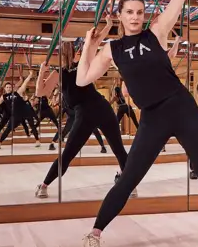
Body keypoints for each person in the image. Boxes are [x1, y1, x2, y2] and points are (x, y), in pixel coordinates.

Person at [76, 0, 198, 247]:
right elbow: (82, 80)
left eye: (139, 12)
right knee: (129, 177)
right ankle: (94, 235)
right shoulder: (112, 49)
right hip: (152, 117)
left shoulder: (157, 33)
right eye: (129, 12)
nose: (135, 17)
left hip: (182, 108)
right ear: (120, 16)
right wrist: (88, 46)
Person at [33, 43, 132, 199]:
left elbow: (40, 92)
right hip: (102, 108)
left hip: (88, 112)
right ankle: (130, 187)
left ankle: (44, 186)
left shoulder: (62, 72)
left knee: (68, 154)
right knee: (118, 149)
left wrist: (41, 73)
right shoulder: (73, 68)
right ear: (74, 54)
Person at [0, 75, 41, 149]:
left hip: (26, 111)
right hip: (16, 115)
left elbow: (24, 84)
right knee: (8, 128)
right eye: (7, 87)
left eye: (10, 87)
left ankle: (37, 140)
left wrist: (30, 75)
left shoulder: (17, 93)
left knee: (32, 126)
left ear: (12, 88)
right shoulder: (3, 97)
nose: (9, 88)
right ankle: (0, 142)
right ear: (5, 88)